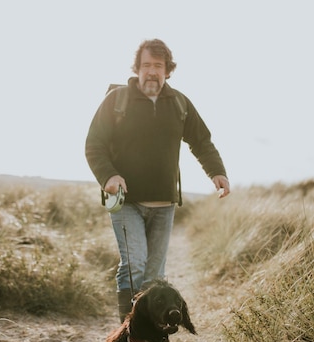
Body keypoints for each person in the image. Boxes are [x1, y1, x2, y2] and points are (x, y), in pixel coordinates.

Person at [85, 38, 230, 322]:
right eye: (147, 65)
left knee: (154, 275)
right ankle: (127, 332)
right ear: (137, 68)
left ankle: (149, 336)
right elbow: (94, 144)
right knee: (134, 266)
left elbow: (201, 142)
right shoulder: (117, 101)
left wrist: (217, 171)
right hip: (126, 202)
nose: (152, 71)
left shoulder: (179, 103)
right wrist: (109, 175)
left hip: (164, 204)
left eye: (158, 66)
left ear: (168, 71)